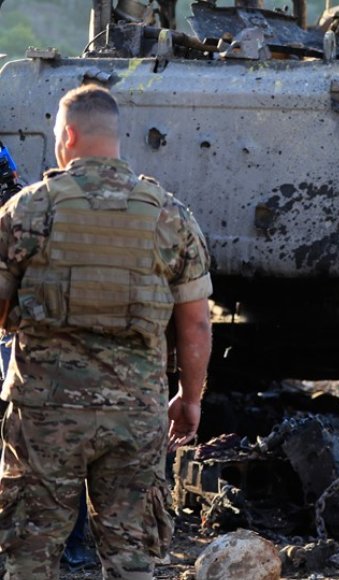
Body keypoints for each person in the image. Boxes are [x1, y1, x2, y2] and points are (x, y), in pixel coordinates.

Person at [0, 84, 212, 579]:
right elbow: (196, 323)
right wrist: (190, 398)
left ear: (68, 136)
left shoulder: (27, 211)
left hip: (44, 415)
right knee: (132, 556)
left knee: (29, 553)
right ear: (115, 137)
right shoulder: (170, 216)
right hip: (135, 414)